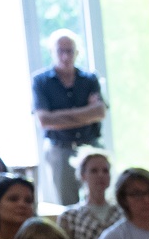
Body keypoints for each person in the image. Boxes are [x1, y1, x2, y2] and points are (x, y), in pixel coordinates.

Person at [31, 30, 106, 206]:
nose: (65, 56)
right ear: (52, 52)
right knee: (67, 204)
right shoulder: (41, 82)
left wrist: (60, 116)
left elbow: (100, 112)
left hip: (90, 146)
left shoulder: (89, 79)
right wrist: (86, 112)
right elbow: (44, 120)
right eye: (60, 51)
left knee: (98, 200)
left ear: (77, 52)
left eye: (70, 51)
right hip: (60, 149)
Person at [57, 148, 121, 239]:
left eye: (105, 171)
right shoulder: (70, 216)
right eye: (94, 171)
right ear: (82, 175)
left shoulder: (122, 213)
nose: (100, 175)